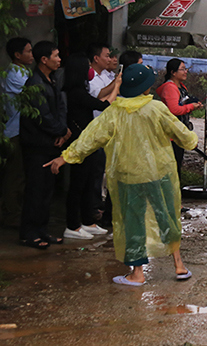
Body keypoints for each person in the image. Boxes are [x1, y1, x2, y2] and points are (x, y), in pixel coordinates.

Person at [44, 64, 198, 285]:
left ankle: (137, 273)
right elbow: (184, 136)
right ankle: (179, 265)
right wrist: (192, 141)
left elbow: (90, 138)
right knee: (166, 216)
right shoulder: (156, 109)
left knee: (132, 223)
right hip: (158, 174)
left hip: (128, 177)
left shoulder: (114, 113)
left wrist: (64, 157)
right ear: (146, 89)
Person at [62, 53, 121, 240]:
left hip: (88, 141)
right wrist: (117, 86)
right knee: (78, 184)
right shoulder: (75, 93)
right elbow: (103, 105)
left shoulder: (82, 90)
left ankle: (88, 221)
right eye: (86, 66)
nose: (89, 70)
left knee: (88, 182)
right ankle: (72, 225)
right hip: (79, 143)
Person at [19, 41, 71, 249]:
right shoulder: (34, 84)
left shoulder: (52, 80)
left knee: (47, 190)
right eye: (56, 56)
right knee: (36, 189)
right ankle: (28, 233)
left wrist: (63, 131)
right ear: (44, 60)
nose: (59, 60)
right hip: (37, 144)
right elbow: (42, 115)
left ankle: (42, 229)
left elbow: (60, 109)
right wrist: (60, 131)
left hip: (52, 142)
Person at [0, 37, 33, 230]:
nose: (31, 54)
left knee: (19, 175)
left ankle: (12, 212)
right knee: (15, 176)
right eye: (28, 51)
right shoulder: (15, 74)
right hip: (16, 130)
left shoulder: (22, 71)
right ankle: (12, 215)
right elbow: (33, 97)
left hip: (18, 128)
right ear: (17, 55)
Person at [156, 59, 203, 181]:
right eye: (182, 69)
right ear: (173, 72)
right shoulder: (170, 88)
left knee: (177, 163)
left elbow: (182, 107)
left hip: (178, 131)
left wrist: (192, 106)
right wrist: (191, 106)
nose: (185, 71)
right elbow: (174, 110)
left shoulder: (181, 87)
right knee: (172, 165)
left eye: (186, 69)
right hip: (172, 133)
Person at [87, 43, 117, 118]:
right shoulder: (89, 76)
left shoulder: (105, 75)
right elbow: (98, 94)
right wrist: (116, 82)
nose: (109, 60)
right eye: (107, 56)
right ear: (96, 58)